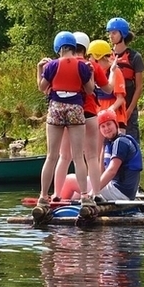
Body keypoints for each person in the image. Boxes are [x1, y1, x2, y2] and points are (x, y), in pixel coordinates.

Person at [36, 31, 96, 209]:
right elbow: (90, 90)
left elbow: (42, 87)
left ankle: (43, 196)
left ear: (58, 48)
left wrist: (40, 69)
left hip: (56, 108)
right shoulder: (82, 66)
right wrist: (90, 73)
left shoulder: (52, 65)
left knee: (52, 156)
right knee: (78, 157)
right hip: (76, 109)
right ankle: (85, 196)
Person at [51, 32, 113, 200]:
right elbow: (108, 89)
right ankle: (96, 193)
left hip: (66, 116)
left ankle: (57, 194)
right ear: (86, 48)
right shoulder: (91, 66)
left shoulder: (59, 64)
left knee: (64, 156)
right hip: (89, 114)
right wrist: (113, 71)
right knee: (92, 156)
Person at [107, 17, 144, 143]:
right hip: (111, 106)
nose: (110, 36)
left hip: (128, 107)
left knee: (131, 143)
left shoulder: (135, 57)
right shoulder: (106, 56)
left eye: (114, 33)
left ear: (122, 34)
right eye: (109, 33)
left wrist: (129, 110)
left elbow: (139, 87)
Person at [88, 39, 127, 133]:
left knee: (117, 146)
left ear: (100, 57)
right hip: (99, 116)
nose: (90, 60)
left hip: (116, 117)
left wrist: (108, 111)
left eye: (91, 57)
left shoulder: (115, 71)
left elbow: (120, 99)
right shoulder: (95, 72)